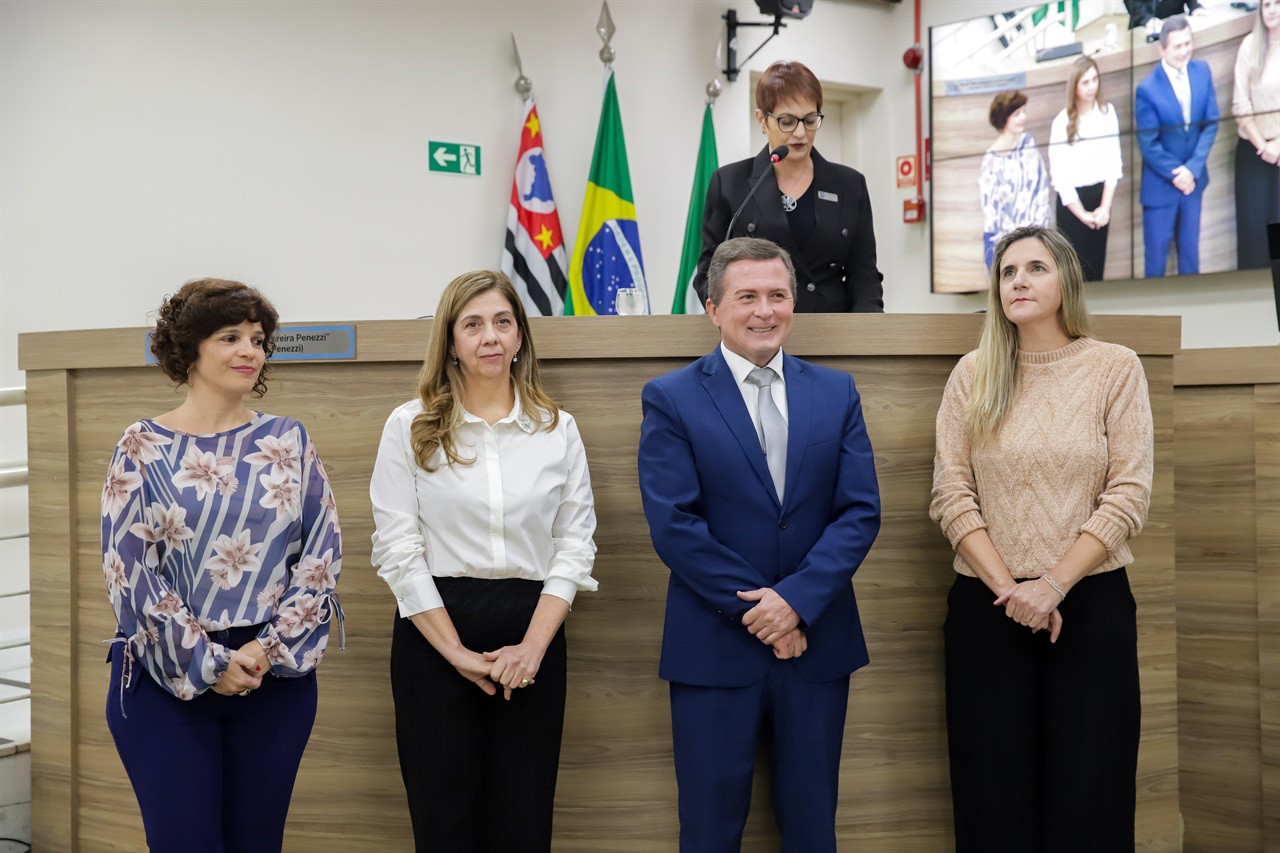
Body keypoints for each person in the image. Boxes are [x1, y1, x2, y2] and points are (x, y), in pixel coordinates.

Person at [639, 237, 881, 852]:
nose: (764, 311)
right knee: (710, 832)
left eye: (777, 296)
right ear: (714, 308)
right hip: (714, 652)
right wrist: (766, 613)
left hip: (816, 649)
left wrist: (795, 603)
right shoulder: (672, 397)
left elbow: (860, 512)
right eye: (747, 296)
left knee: (811, 830)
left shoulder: (837, 392)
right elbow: (674, 525)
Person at [930, 225, 1153, 852]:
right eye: (1007, 272)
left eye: (1035, 268)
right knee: (992, 797)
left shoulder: (1115, 367)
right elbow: (950, 494)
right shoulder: (973, 374)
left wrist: (1052, 586)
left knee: (1092, 793)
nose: (1019, 281)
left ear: (1066, 282)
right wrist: (1014, 592)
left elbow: (1129, 496)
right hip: (989, 608)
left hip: (1091, 604)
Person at [101, 278, 342, 853]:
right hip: (164, 676)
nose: (249, 352)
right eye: (230, 336)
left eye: (258, 339)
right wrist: (210, 663)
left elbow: (322, 557)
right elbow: (129, 573)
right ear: (189, 349)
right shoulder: (140, 446)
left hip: (273, 678)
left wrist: (264, 650)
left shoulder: (288, 439)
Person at [369, 270, 597, 853]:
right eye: (472, 325)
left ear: (520, 336)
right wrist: (456, 654)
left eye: (502, 322)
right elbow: (398, 549)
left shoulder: (557, 429)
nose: (489, 337)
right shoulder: (409, 425)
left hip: (533, 633)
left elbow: (574, 545)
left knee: (524, 823)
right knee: (443, 826)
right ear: (450, 341)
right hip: (434, 633)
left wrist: (533, 648)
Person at [693, 60, 883, 312]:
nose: (801, 133)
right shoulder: (729, 183)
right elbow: (709, 271)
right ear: (762, 120)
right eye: (787, 121)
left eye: (810, 119)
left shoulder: (850, 185)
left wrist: (868, 333)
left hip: (833, 331)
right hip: (756, 327)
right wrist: (733, 316)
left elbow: (864, 272)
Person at [1135, 14, 1219, 277]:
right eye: (1177, 46)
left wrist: (1191, 171)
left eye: (1187, 44)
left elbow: (1211, 124)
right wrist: (1179, 174)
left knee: (1191, 262)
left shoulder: (1203, 71)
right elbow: (1149, 144)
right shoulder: (1147, 89)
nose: (1184, 52)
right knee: (1156, 266)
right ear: (1162, 49)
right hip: (1161, 189)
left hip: (1193, 185)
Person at [1047, 56, 1124, 281]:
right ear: (1075, 86)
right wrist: (1082, 215)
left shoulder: (1107, 113)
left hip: (1099, 202)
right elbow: (1060, 178)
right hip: (1072, 207)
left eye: (1094, 80)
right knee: (1072, 277)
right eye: (1085, 82)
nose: (1092, 87)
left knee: (1096, 272)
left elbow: (1114, 164)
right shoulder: (1062, 122)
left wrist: (1105, 208)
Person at [980, 90, 1052, 269]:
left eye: (1024, 112)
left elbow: (1041, 190)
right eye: (1017, 113)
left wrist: (1037, 236)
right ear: (1004, 118)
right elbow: (992, 214)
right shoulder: (990, 161)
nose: (1023, 118)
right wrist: (1013, 245)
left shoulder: (1028, 143)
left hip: (1037, 238)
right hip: (1004, 246)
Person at [1232, 0, 1280, 270]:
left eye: (1276, 4)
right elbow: (1240, 104)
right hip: (1254, 151)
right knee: (1253, 234)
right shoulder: (1250, 46)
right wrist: (1264, 146)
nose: (1271, 10)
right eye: (1266, 5)